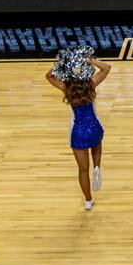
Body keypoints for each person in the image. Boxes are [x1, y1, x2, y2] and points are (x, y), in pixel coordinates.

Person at [46, 56, 111, 210]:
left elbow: (48, 76)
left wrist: (62, 63)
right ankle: (97, 167)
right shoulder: (91, 84)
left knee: (82, 170)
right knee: (97, 143)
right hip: (94, 127)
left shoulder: (67, 88)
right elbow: (107, 67)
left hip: (78, 131)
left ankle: (88, 201)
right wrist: (91, 60)